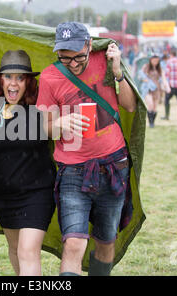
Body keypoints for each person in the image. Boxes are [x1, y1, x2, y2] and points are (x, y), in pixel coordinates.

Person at [36, 22, 137, 276]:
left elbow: (130, 106)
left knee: (106, 241)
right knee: (74, 243)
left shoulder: (105, 60)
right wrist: (58, 123)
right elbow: (41, 128)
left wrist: (118, 72)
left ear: (89, 45)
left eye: (79, 56)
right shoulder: (50, 76)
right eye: (64, 57)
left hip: (114, 164)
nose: (72, 63)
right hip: (73, 170)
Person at [0, 50, 56, 276]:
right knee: (16, 249)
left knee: (27, 251)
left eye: (20, 78)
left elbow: (55, 127)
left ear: (28, 82)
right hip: (4, 196)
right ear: (0, 80)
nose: (13, 83)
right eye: (8, 77)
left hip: (37, 193)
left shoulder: (40, 109)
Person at [139, 55, 170, 127]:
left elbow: (164, 78)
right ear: (150, 60)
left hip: (157, 89)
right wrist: (147, 81)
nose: (155, 62)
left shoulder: (160, 69)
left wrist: (167, 87)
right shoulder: (146, 67)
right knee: (150, 104)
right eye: (154, 60)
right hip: (148, 89)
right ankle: (150, 123)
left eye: (157, 61)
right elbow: (140, 76)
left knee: (155, 107)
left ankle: (153, 122)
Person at [162, 48, 177, 120]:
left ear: (171, 54)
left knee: (167, 100)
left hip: (171, 85)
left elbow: (166, 74)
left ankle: (167, 116)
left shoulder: (169, 62)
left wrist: (166, 84)